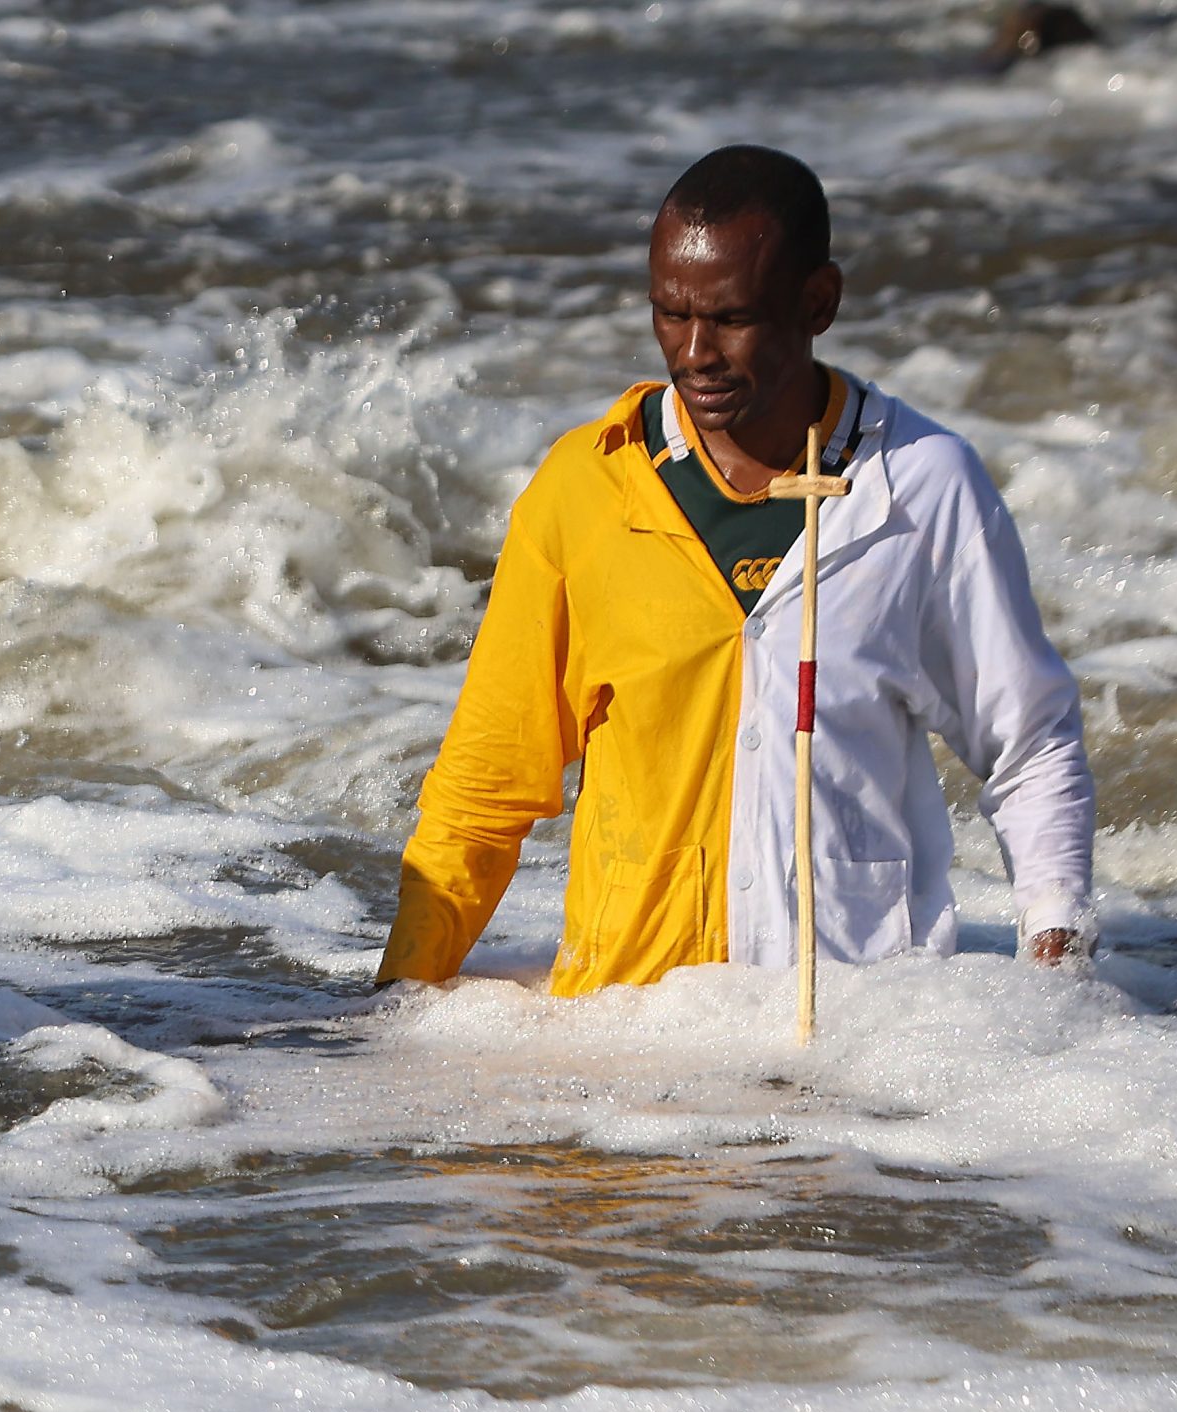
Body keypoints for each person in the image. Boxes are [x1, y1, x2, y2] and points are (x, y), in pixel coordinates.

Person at [378, 145, 1095, 996]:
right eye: (669, 315)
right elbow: (485, 789)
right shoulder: (585, 487)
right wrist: (393, 1010)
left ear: (817, 301)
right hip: (627, 1038)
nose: (694, 352)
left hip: (860, 1040)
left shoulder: (921, 485)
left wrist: (1061, 984)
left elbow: (1030, 746)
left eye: (731, 318)